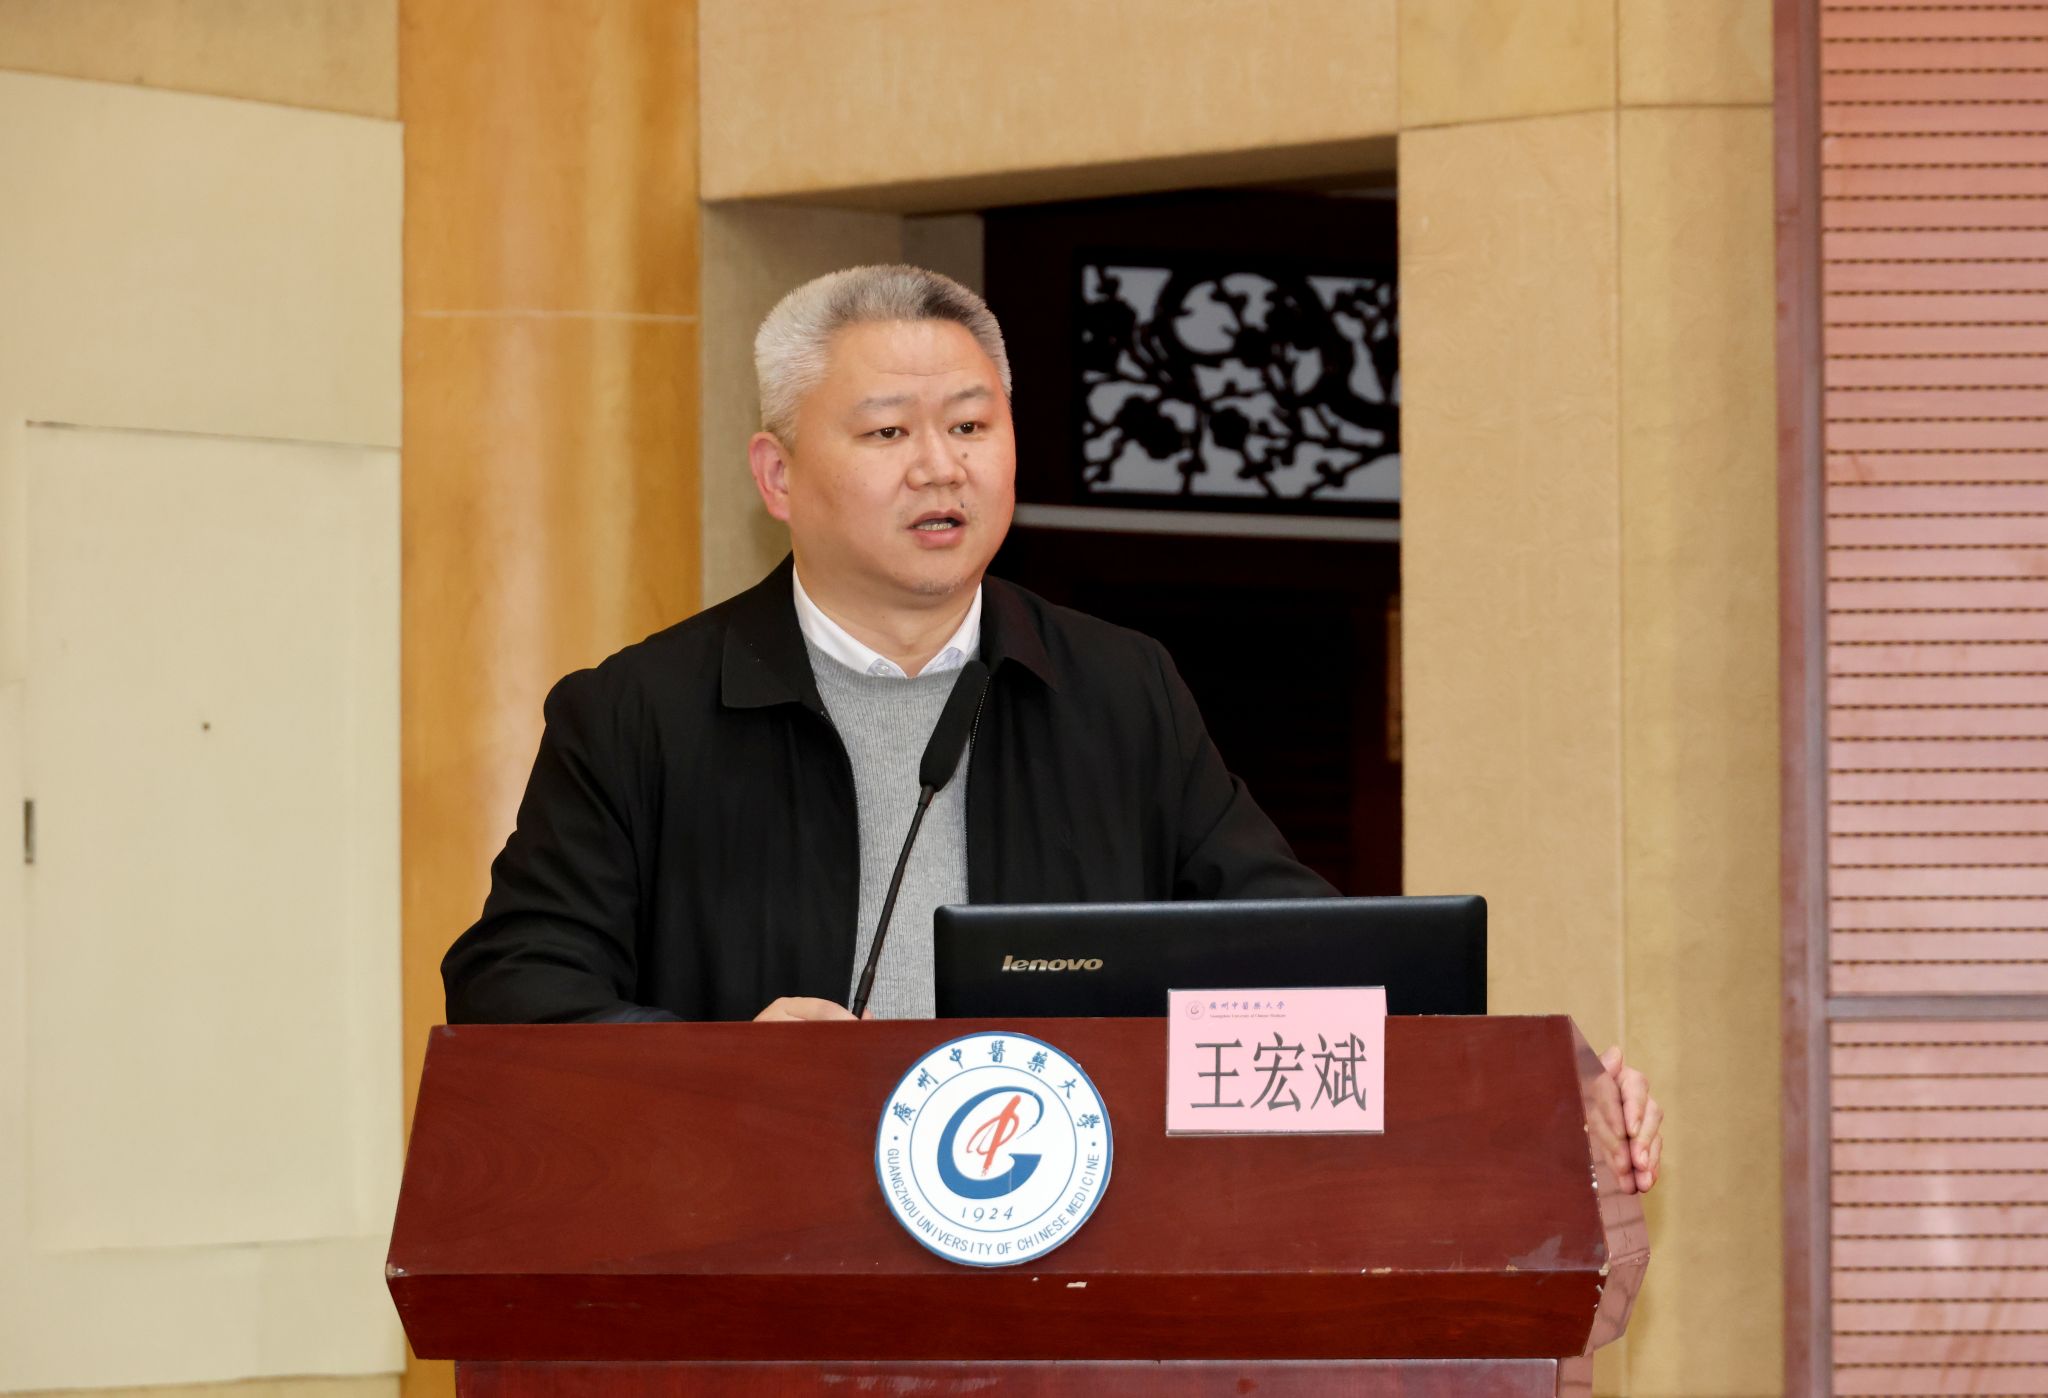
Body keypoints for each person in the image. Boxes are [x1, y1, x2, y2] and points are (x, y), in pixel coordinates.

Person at [441, 265, 1664, 1193]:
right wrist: (722, 1056)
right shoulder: (641, 712)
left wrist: (1535, 1099)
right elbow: (513, 990)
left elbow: (1293, 957)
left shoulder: (1115, 688)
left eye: (971, 427)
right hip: (757, 1228)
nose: (940, 468)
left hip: (1075, 1239)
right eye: (887, 432)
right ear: (777, 476)